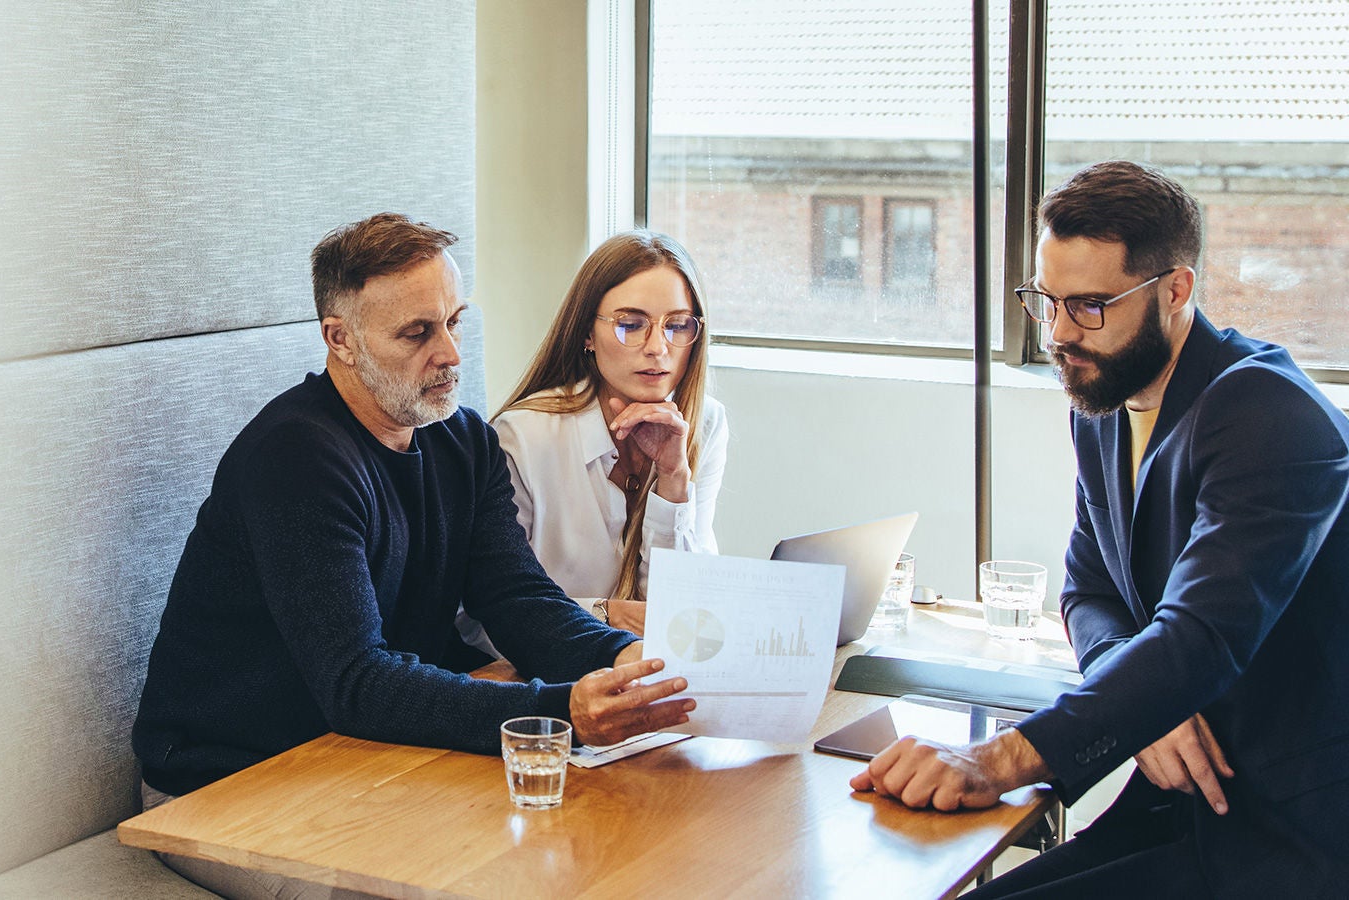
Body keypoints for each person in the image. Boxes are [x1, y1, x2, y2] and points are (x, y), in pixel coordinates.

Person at [132, 213, 696, 900]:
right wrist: (560, 712)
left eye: (455, 323)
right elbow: (356, 682)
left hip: (363, 759)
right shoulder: (296, 459)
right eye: (417, 333)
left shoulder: (462, 440)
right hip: (228, 782)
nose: (452, 354)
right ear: (339, 338)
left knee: (612, 845)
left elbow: (520, 600)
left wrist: (625, 661)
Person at [850, 160, 1349, 897]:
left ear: (1175, 291)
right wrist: (1145, 699)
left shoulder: (1269, 415)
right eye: (1044, 301)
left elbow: (1202, 638)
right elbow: (1087, 595)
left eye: (1088, 306)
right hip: (1178, 808)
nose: (1058, 335)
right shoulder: (1106, 404)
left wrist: (998, 761)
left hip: (1291, 834)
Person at [460, 231, 727, 647]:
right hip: (546, 678)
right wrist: (604, 615)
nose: (658, 347)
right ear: (587, 333)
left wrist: (673, 479)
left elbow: (684, 610)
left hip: (649, 672)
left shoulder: (703, 422)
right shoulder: (524, 436)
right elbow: (483, 620)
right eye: (631, 325)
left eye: (676, 325)